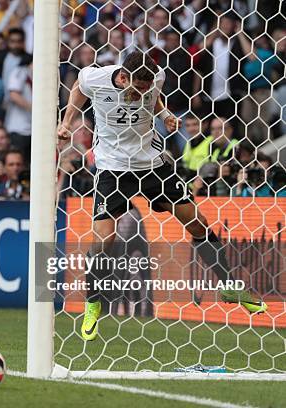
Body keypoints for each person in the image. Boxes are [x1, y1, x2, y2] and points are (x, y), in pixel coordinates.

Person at [57, 51, 267, 342]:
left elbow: (154, 96)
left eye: (146, 88)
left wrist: (164, 113)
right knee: (104, 240)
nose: (142, 92)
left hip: (153, 165)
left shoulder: (155, 78)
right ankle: (92, 305)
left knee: (197, 223)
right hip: (113, 169)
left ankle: (230, 286)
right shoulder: (98, 78)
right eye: (137, 88)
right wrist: (68, 120)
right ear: (123, 77)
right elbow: (79, 86)